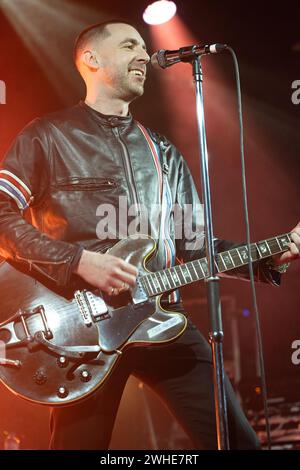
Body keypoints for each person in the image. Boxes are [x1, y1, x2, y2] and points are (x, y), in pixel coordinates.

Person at [0, 20, 299, 450]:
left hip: (160, 319)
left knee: (235, 442)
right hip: (75, 329)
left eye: (144, 46)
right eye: (129, 46)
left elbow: (198, 246)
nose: (143, 55)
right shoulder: (47, 137)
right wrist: (78, 262)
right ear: (92, 59)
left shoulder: (164, 154)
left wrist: (274, 254)